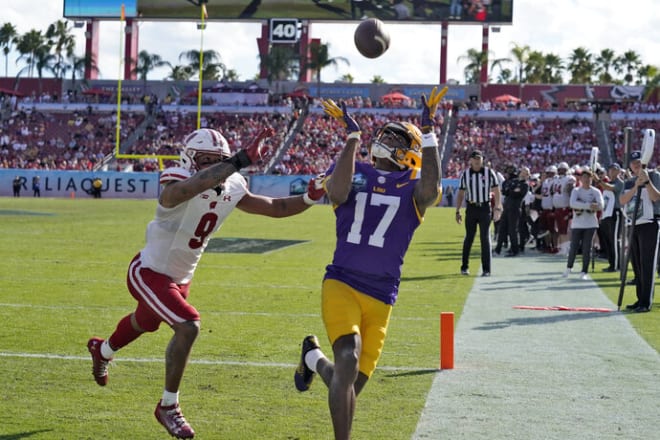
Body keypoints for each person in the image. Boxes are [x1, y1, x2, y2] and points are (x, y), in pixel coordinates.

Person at [87, 127, 325, 439]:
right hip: (149, 272)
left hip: (180, 278)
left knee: (145, 321)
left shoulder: (233, 183)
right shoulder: (176, 177)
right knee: (188, 325)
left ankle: (102, 350)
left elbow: (273, 207)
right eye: (206, 160)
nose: (214, 166)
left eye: (218, 160)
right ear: (190, 160)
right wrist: (237, 160)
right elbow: (179, 193)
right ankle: (168, 406)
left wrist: (309, 197)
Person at [293, 86, 447, 440]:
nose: (389, 141)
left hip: (381, 297)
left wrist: (429, 133)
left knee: (345, 385)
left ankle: (312, 358)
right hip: (342, 282)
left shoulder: (413, 186)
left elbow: (430, 189)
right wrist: (351, 137)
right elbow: (338, 192)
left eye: (398, 139)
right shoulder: (355, 169)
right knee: (347, 359)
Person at [619, 150, 660, 313]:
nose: (636, 165)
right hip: (634, 223)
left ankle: (645, 301)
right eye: (633, 162)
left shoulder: (654, 175)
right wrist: (636, 185)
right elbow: (622, 200)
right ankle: (639, 298)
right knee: (636, 263)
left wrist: (647, 181)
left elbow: (656, 197)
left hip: (650, 223)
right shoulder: (629, 181)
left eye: (639, 162)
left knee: (647, 263)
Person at [455, 150, 502, 276]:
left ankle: (486, 270)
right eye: (474, 159)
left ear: (482, 160)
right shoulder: (465, 174)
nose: (477, 161)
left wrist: (497, 208)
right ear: (470, 160)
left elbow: (497, 191)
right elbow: (460, 193)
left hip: (484, 208)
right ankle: (464, 267)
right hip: (471, 208)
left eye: (479, 159)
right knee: (469, 238)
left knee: (485, 238)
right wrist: (457, 210)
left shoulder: (489, 172)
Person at [562, 169, 603, 280]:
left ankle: (584, 271)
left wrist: (582, 205)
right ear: (581, 179)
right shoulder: (576, 191)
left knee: (587, 248)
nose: (586, 180)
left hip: (591, 224)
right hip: (577, 223)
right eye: (584, 177)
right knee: (573, 247)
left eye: (589, 178)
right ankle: (568, 268)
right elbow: (572, 203)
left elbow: (600, 205)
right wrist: (589, 205)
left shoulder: (596, 191)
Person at [494, 164, 528, 257]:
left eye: (525, 173)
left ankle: (515, 250)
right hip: (507, 207)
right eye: (523, 172)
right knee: (502, 228)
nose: (523, 174)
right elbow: (506, 191)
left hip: (515, 208)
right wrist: (512, 191)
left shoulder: (525, 185)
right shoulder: (513, 181)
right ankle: (498, 249)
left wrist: (511, 191)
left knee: (513, 230)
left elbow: (514, 193)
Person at [596, 163, 624, 272]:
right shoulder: (609, 182)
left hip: (615, 212)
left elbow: (609, 188)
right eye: (611, 170)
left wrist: (598, 180)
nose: (612, 172)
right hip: (607, 213)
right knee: (607, 240)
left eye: (614, 170)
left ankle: (616, 265)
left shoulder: (619, 183)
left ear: (618, 171)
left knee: (614, 239)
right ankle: (611, 263)